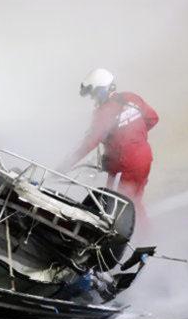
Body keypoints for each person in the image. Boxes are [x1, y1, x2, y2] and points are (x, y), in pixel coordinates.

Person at [59, 68, 159, 225]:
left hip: (126, 165)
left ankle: (132, 239)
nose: (93, 98)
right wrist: (134, 136)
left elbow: (89, 143)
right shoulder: (131, 97)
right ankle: (141, 236)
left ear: (101, 90)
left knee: (119, 206)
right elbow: (153, 118)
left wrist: (64, 166)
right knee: (128, 201)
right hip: (144, 158)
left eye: (93, 94)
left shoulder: (103, 112)